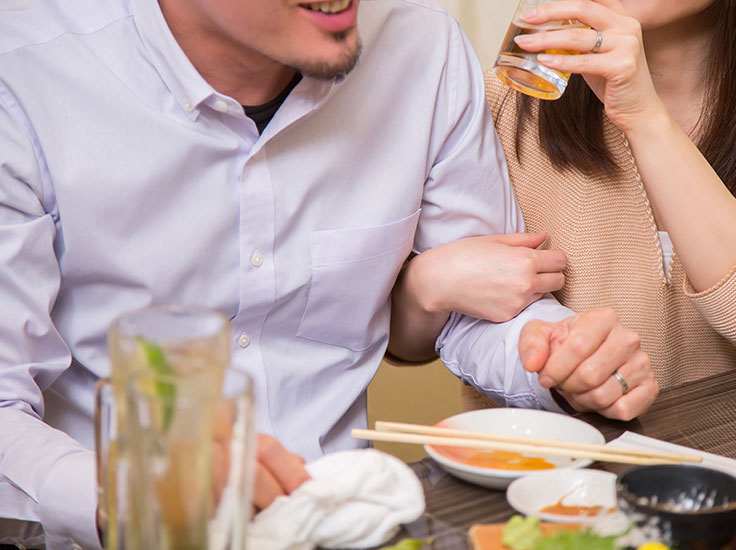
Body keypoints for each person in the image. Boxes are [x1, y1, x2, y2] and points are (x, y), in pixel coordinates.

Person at [0, 0, 658, 547]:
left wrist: (555, 355)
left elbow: (483, 307)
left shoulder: (420, 40)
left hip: (352, 518)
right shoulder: (25, 73)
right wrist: (130, 495)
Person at [416, 0, 736, 403]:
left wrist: (646, 120)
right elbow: (415, 337)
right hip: (546, 471)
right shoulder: (507, 99)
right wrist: (422, 285)